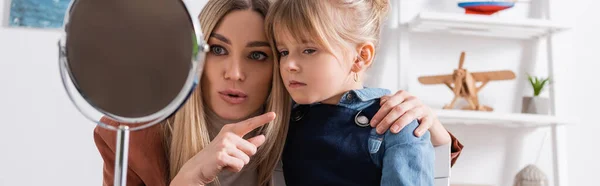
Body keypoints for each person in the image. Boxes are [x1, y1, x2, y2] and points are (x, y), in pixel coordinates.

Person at [94, 0, 463, 186]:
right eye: (218, 50)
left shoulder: (307, 116)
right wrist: (190, 176)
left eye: (258, 55)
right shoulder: (132, 136)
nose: (234, 73)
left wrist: (434, 135)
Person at [265, 0, 436, 185]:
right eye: (283, 52)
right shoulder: (281, 118)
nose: (289, 65)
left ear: (360, 57)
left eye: (309, 50)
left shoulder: (397, 124)